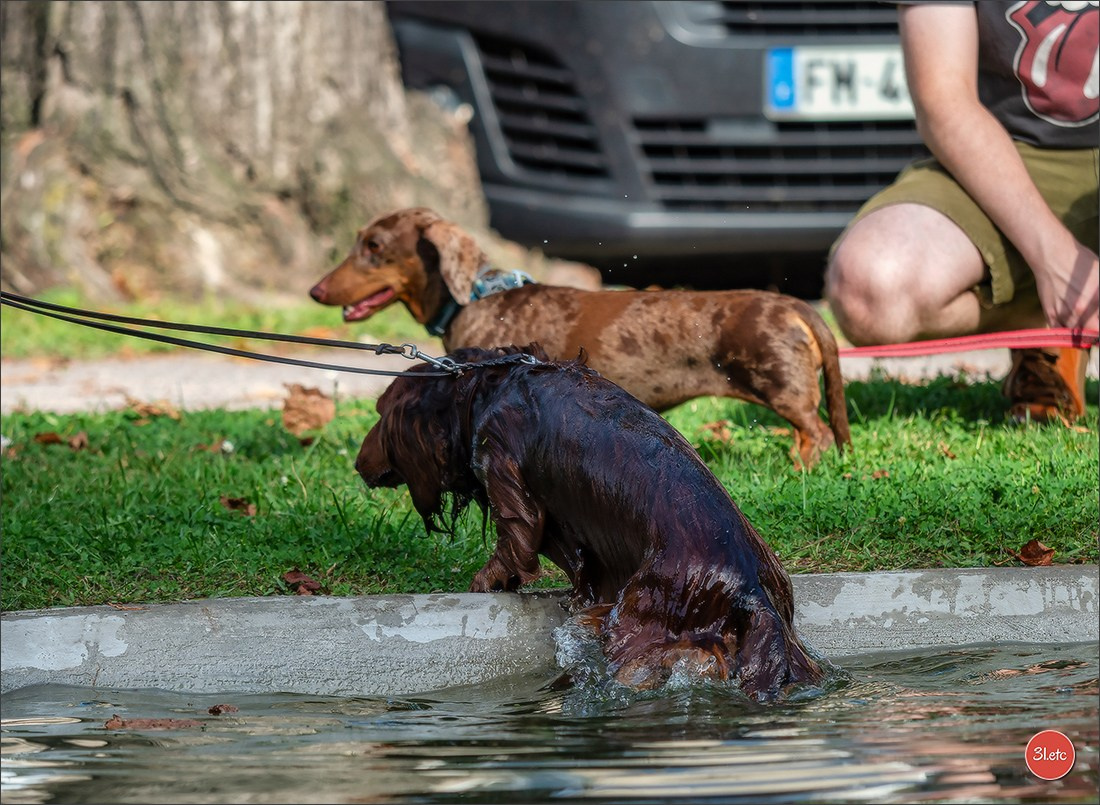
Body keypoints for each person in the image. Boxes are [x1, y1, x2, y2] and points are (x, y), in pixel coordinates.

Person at [825, 1, 1098, 424]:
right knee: (873, 286)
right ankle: (1054, 327)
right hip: (1014, 154)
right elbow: (943, 99)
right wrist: (1055, 260)